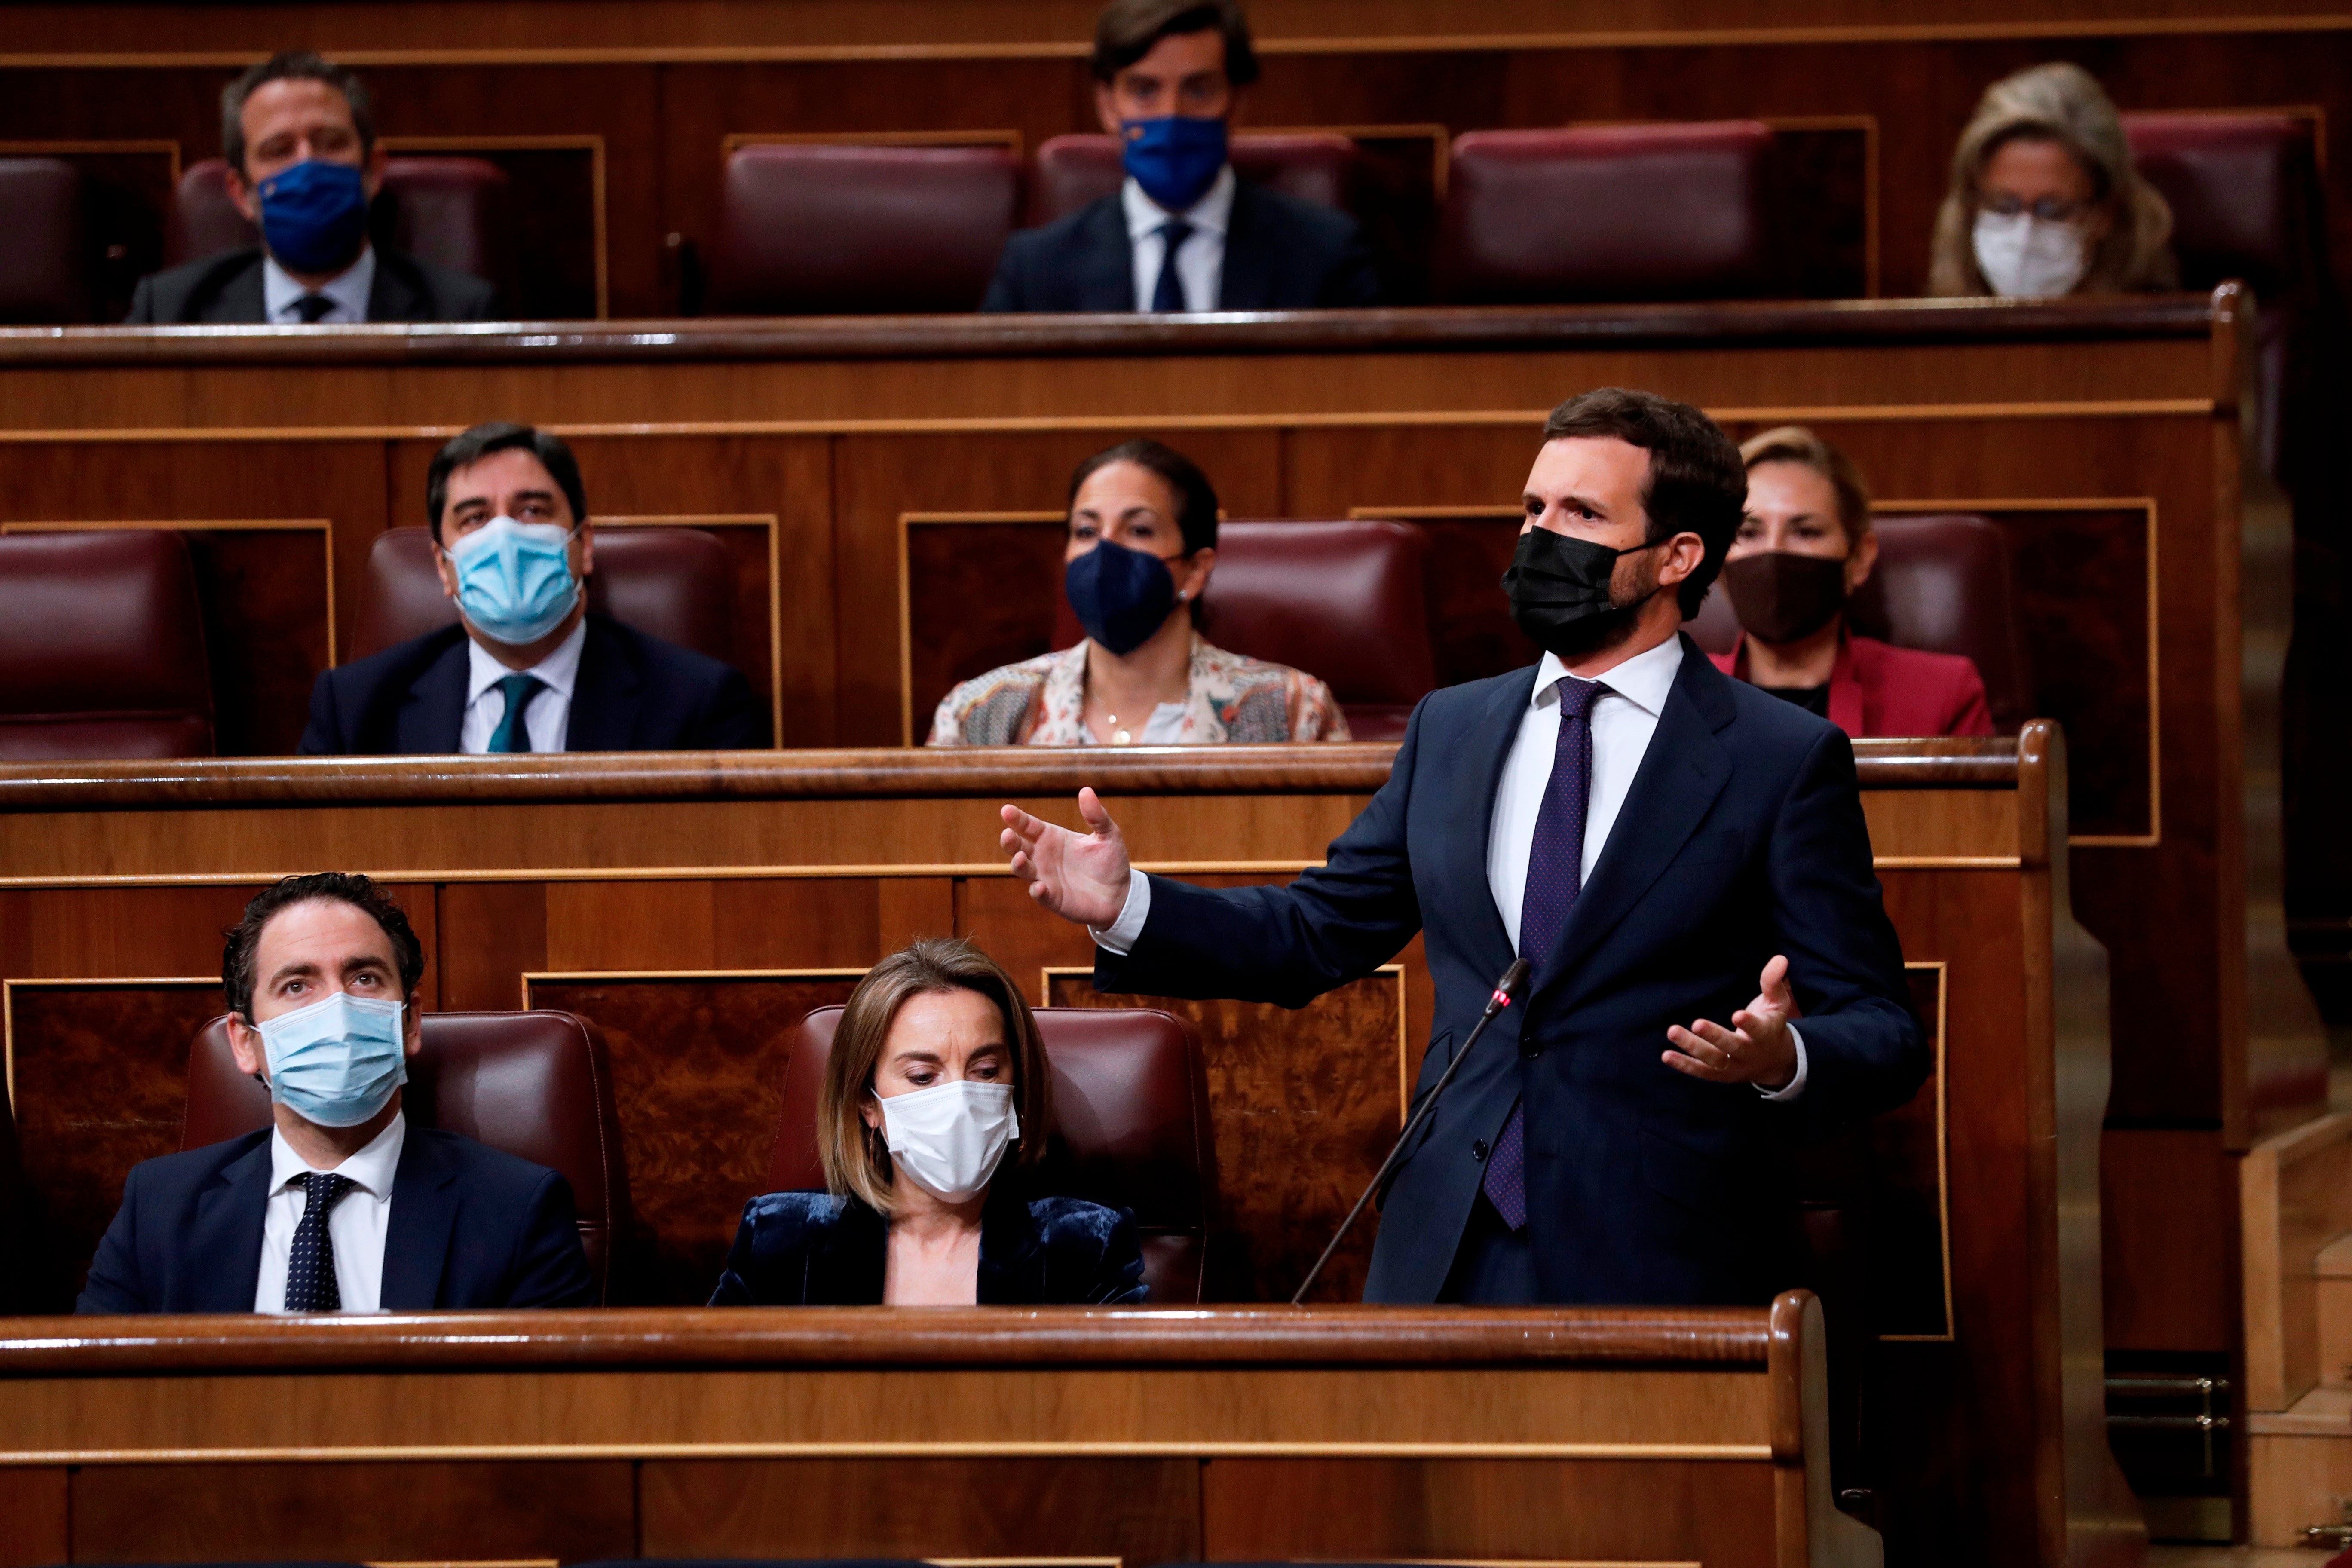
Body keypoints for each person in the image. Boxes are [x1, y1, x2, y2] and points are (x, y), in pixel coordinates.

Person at [1000, 388, 1929, 1306]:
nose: (1539, 535)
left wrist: (1782, 1057)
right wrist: (1129, 906)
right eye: (1534, 508)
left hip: (1663, 1253)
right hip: (1446, 1241)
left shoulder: (1779, 757)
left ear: (1678, 557)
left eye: (1582, 513)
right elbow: (1318, 929)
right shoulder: (1453, 727)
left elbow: (1882, 1031)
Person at [77, 873, 594, 1314]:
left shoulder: (516, 1208)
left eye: (365, 978)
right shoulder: (160, 1208)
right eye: (297, 986)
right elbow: (96, 1408)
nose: (338, 1013)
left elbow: (544, 1417)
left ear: (409, 1023)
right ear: (245, 1042)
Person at [709, 939, 1148, 1305]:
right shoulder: (777, 1240)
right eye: (923, 1077)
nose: (959, 1099)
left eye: (986, 1071)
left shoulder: (1086, 1246)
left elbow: (1127, 1403)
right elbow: (708, 1401)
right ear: (869, 1103)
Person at [300, 422, 768, 754]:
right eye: (476, 518)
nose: (505, 536)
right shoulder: (355, 707)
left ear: (584, 544)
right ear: (443, 568)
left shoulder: (698, 702)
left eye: (532, 511)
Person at [928, 438, 1349, 744]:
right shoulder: (977, 714)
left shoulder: (1293, 712)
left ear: (1196, 570)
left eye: (1139, 529)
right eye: (1087, 531)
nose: (1105, 550)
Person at [982, 0, 1381, 313]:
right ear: (1107, 105)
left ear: (1238, 103)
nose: (1171, 115)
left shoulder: (1327, 256)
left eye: (1199, 90)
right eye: (1144, 91)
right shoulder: (1035, 271)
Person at [126, 52, 499, 325]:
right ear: (240, 192)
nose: (307, 165)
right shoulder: (170, 313)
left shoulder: (461, 313)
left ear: (373, 170)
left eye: (331, 143)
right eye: (279, 151)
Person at [1712, 426, 1994, 737]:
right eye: (1749, 533)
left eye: (1806, 532)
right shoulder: (1673, 693)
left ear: (1859, 558)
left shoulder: (1943, 695)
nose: (1774, 552)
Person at [1927, 61, 2176, 299]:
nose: (2024, 236)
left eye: (2053, 211)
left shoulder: (2162, 336)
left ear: (2104, 216)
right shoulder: (1930, 337)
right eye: (2003, 206)